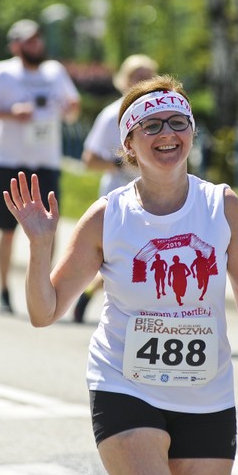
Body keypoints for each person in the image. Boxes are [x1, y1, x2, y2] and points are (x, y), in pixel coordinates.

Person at [4, 74, 238, 475]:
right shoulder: (107, 217)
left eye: (177, 122)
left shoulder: (221, 204)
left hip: (207, 392)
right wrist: (40, 246)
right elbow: (44, 312)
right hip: (124, 386)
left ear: (192, 132)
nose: (167, 134)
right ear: (129, 144)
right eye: (151, 126)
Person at [0, 19, 80, 313]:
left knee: (49, 228)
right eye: (29, 41)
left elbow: (73, 107)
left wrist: (70, 109)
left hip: (45, 163)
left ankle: (46, 286)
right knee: (7, 230)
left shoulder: (54, 72)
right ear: (15, 45)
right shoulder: (1, 73)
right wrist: (9, 114)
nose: (36, 45)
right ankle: (3, 290)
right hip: (9, 162)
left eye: (38, 39)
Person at [73, 54, 158, 322]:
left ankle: (93, 294)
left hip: (155, 194)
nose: (142, 82)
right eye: (136, 76)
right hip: (120, 195)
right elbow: (89, 159)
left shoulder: (161, 113)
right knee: (126, 254)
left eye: (148, 76)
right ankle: (104, 303)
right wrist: (124, 164)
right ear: (123, 80)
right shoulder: (113, 115)